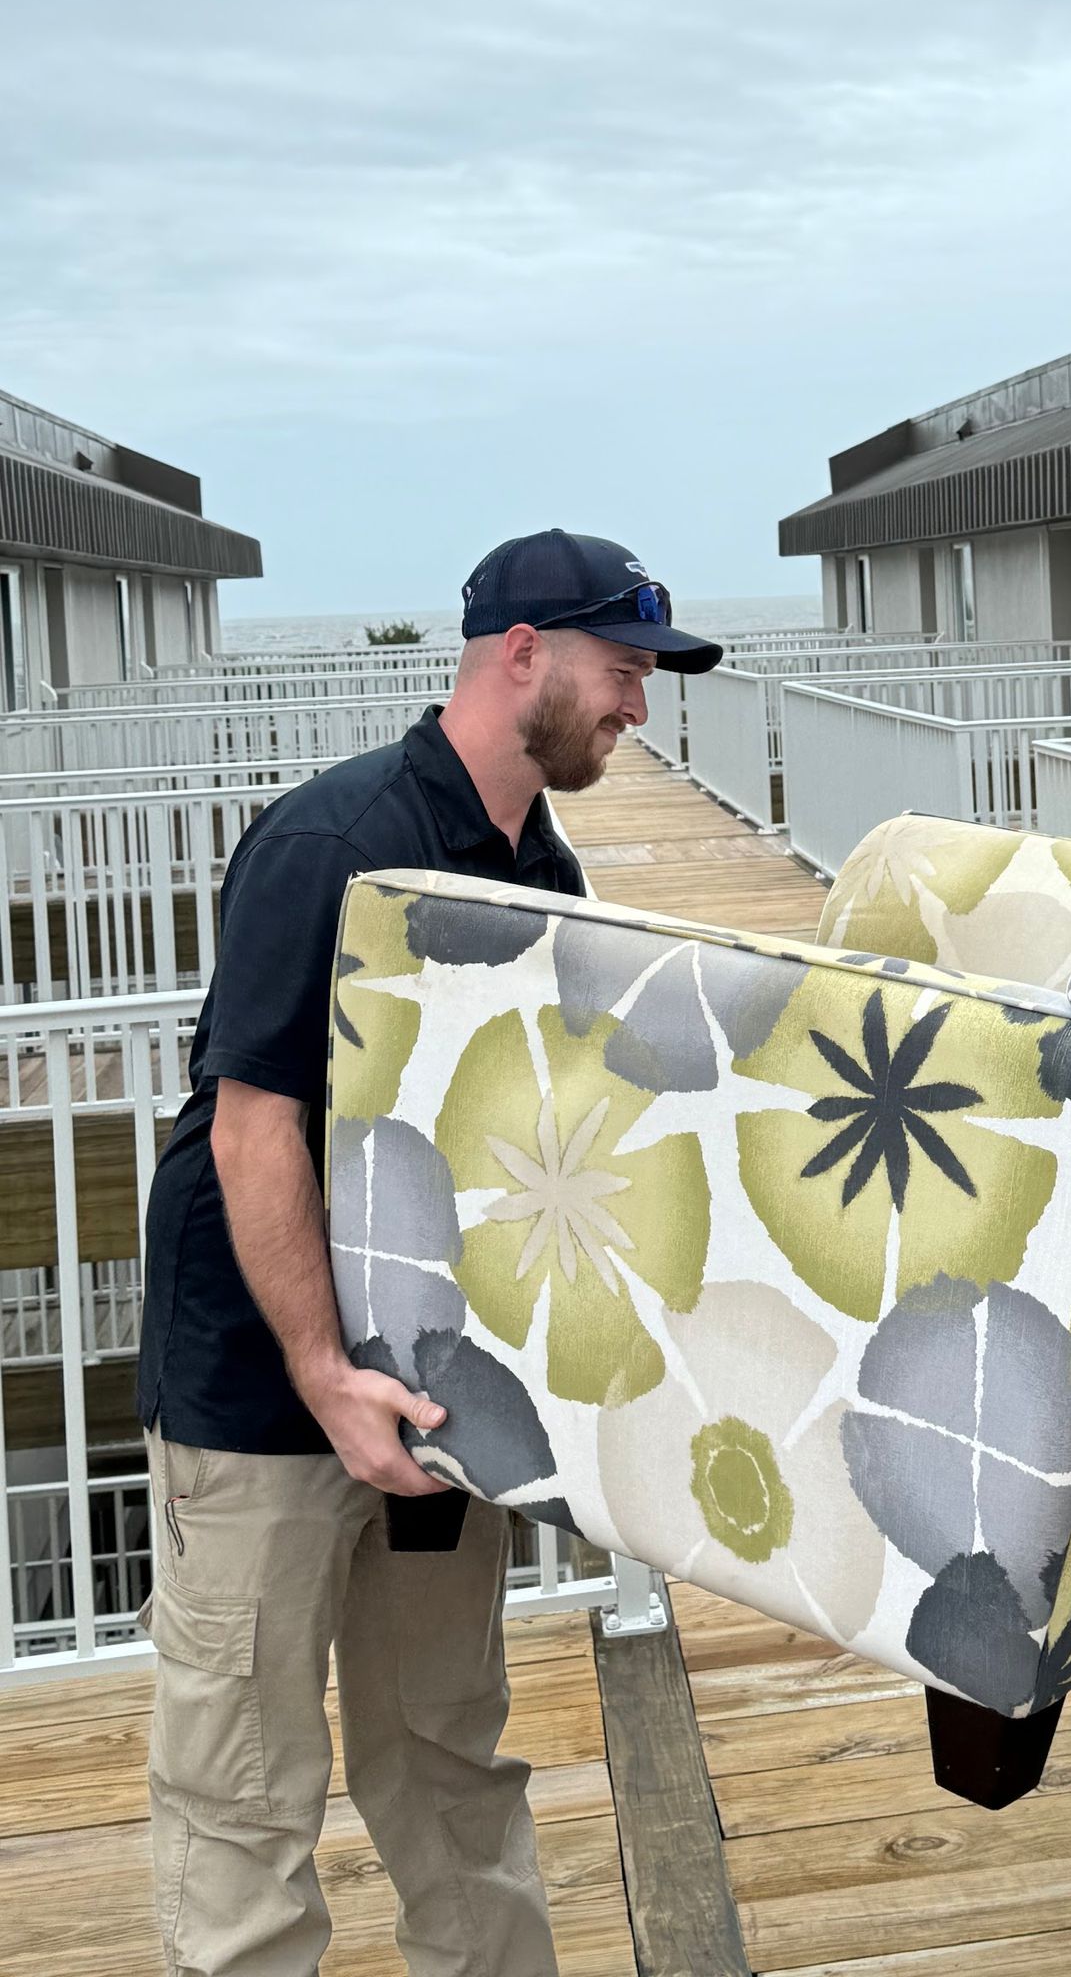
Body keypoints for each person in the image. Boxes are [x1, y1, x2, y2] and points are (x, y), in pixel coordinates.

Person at [134, 530, 722, 1977]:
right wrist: (323, 1369)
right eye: (622, 671)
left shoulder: (542, 865)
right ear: (518, 652)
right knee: (243, 1786)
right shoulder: (329, 842)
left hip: (434, 1385)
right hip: (266, 1386)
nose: (639, 708)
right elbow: (253, 1124)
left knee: (448, 1746)